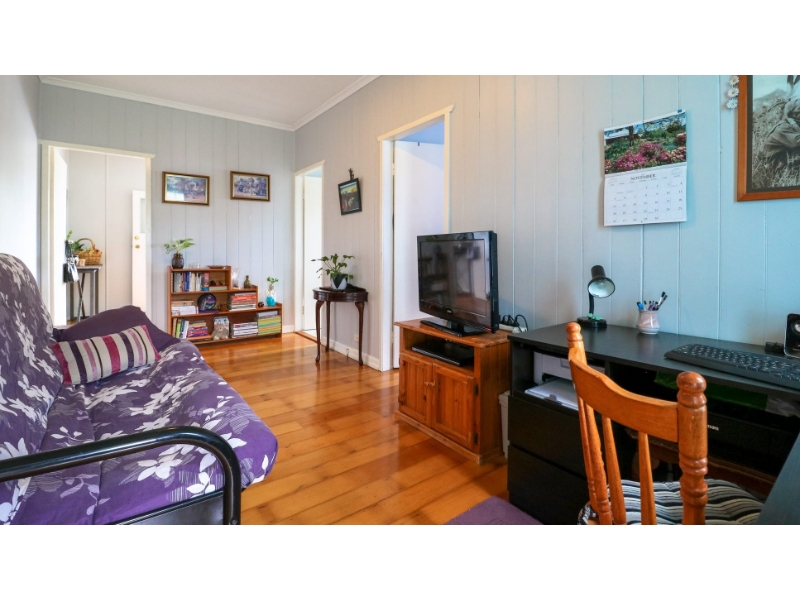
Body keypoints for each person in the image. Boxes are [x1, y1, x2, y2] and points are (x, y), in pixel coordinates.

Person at [762, 97, 800, 171]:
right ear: (795, 114)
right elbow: (797, 141)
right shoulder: (784, 127)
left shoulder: (791, 123)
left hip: (781, 156)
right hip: (773, 163)